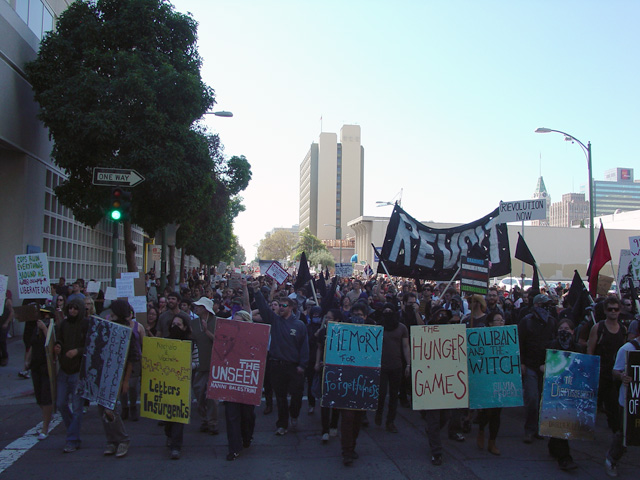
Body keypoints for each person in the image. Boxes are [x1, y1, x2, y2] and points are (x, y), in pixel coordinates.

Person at [251, 283, 309, 436]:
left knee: (296, 396)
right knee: (281, 398)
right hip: (277, 366)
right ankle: (282, 424)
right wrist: (256, 291)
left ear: (291, 307)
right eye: (280, 305)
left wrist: (303, 365)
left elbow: (304, 347)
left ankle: (294, 415)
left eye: (285, 305)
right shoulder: (275, 321)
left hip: (294, 367)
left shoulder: (299, 325)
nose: (281, 307)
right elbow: (263, 308)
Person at [100, 300, 140, 458]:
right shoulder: (108, 326)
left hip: (118, 374)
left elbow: (131, 358)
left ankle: (123, 439)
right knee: (102, 409)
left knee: (110, 409)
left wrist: (125, 381)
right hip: (105, 373)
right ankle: (111, 441)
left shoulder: (126, 331)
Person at [339, 302, 375, 466]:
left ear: (365, 317)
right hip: (346, 380)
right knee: (347, 417)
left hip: (363, 382)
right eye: (355, 315)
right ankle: (346, 450)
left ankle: (351, 445)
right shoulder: (342, 332)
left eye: (360, 315)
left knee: (358, 418)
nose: (357, 318)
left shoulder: (372, 334)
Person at [518, 293, 557, 444]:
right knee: (532, 398)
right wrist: (521, 362)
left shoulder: (552, 322)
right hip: (530, 365)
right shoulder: (526, 322)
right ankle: (529, 430)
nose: (547, 308)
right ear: (536, 306)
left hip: (546, 366)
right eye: (544, 305)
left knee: (543, 399)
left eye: (549, 305)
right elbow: (520, 342)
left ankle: (539, 428)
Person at [545, 318, 582, 471]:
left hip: (571, 389)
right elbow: (545, 364)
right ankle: (564, 457)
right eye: (561, 328)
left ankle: (554, 446)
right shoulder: (552, 345)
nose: (564, 331)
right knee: (559, 419)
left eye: (567, 328)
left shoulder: (578, 347)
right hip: (554, 389)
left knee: (564, 419)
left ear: (573, 332)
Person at [54, 298, 89, 453]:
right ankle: (72, 431)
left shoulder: (86, 324)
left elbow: (91, 345)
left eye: (75, 309)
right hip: (64, 369)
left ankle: (72, 439)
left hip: (78, 371)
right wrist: (58, 347)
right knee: (61, 403)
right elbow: (59, 340)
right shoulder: (64, 324)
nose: (72, 311)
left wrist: (77, 351)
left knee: (77, 407)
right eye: (70, 308)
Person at [587, 296, 627, 433]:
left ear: (620, 310)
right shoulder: (598, 328)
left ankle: (616, 433)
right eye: (610, 309)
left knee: (613, 406)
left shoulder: (623, 329)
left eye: (616, 309)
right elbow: (590, 350)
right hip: (599, 372)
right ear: (605, 311)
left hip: (615, 374)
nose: (613, 312)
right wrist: (591, 371)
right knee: (591, 404)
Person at [604, 327, 640, 477]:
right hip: (629, 401)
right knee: (625, 434)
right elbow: (615, 370)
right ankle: (612, 459)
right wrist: (622, 376)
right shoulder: (627, 348)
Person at [224, 310, 257, 461]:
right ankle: (234, 448)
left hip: (248, 382)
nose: (237, 324)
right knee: (231, 416)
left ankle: (246, 437)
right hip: (231, 381)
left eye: (240, 321)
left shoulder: (256, 338)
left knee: (247, 415)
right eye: (234, 321)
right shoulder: (226, 338)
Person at [165, 311, 198, 460]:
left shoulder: (190, 344)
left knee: (178, 414)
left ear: (185, 327)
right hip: (166, 383)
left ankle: (176, 446)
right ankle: (170, 434)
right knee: (168, 415)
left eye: (178, 325)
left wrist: (188, 366)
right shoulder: (164, 342)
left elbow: (197, 362)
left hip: (183, 383)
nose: (175, 327)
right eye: (173, 324)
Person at [375, 302, 410, 433]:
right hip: (381, 365)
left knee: (394, 395)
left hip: (396, 366)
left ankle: (390, 421)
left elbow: (406, 347)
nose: (388, 314)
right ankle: (379, 412)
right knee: (381, 393)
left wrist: (409, 364)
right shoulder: (378, 326)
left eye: (390, 311)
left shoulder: (401, 328)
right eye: (385, 312)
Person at [476, 311, 507, 456]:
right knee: (487, 411)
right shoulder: (484, 337)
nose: (501, 323)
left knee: (497, 412)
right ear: (490, 324)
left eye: (502, 321)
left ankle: (492, 442)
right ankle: (482, 430)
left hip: (501, 378)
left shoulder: (508, 338)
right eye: (498, 320)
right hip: (487, 379)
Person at [191, 296, 219, 435]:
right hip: (200, 365)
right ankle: (204, 420)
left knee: (212, 397)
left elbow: (221, 342)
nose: (196, 308)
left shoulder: (217, 322)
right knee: (199, 394)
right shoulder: (193, 323)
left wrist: (207, 331)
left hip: (214, 365)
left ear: (205, 309)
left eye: (199, 306)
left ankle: (212, 422)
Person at [314, 309, 342, 443]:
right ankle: (324, 429)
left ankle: (334, 425)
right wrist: (317, 362)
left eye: (329, 318)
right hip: (325, 369)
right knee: (324, 400)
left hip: (338, 370)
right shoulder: (323, 332)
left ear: (336, 320)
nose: (327, 320)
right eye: (326, 318)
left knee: (336, 399)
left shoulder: (342, 332)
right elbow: (319, 347)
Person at [27, 307, 55, 440]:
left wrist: (45, 329)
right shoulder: (35, 328)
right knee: (39, 397)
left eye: (46, 315)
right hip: (35, 366)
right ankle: (46, 417)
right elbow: (32, 345)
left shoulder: (52, 327)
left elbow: (51, 343)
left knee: (46, 396)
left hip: (46, 366)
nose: (44, 317)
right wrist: (27, 360)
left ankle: (45, 426)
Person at [1, 295, 14, 367]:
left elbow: (12, 312)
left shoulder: (7, 301)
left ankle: (4, 357)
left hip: (4, 323)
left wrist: (6, 322)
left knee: (2, 340)